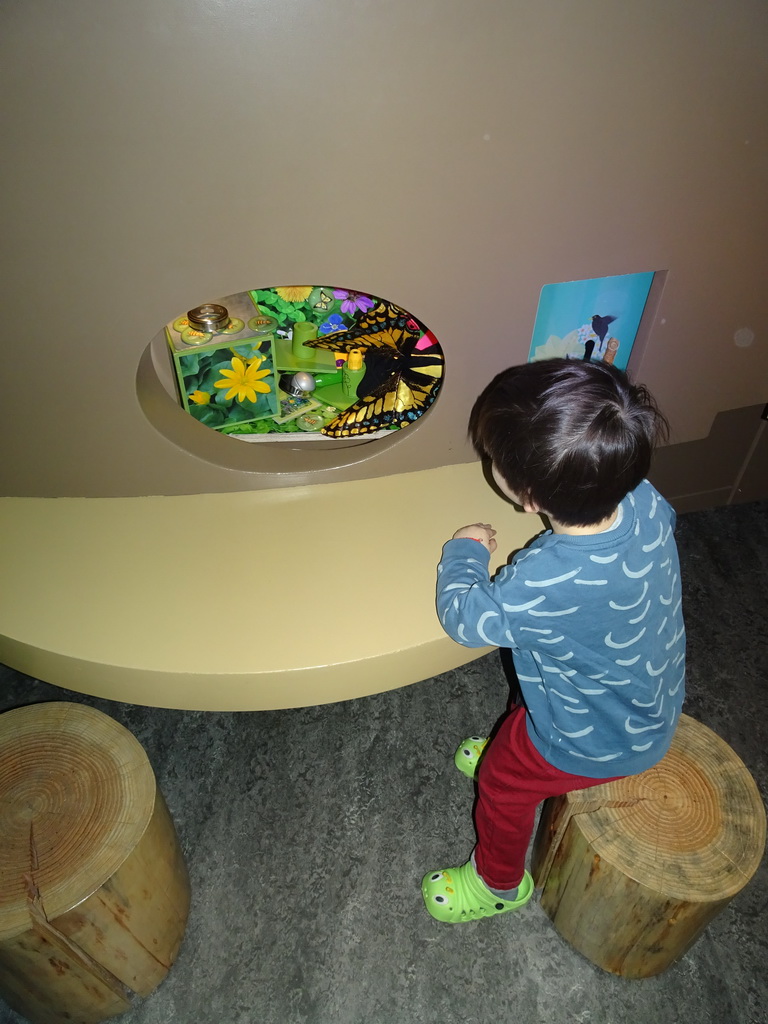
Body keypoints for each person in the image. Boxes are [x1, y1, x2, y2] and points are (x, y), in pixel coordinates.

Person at [423, 357, 685, 924]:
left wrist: (465, 551)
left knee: (502, 783)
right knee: (535, 664)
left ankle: (498, 883)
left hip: (592, 739)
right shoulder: (643, 500)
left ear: (528, 498)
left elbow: (466, 621)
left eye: (492, 461)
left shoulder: (541, 584)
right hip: (645, 694)